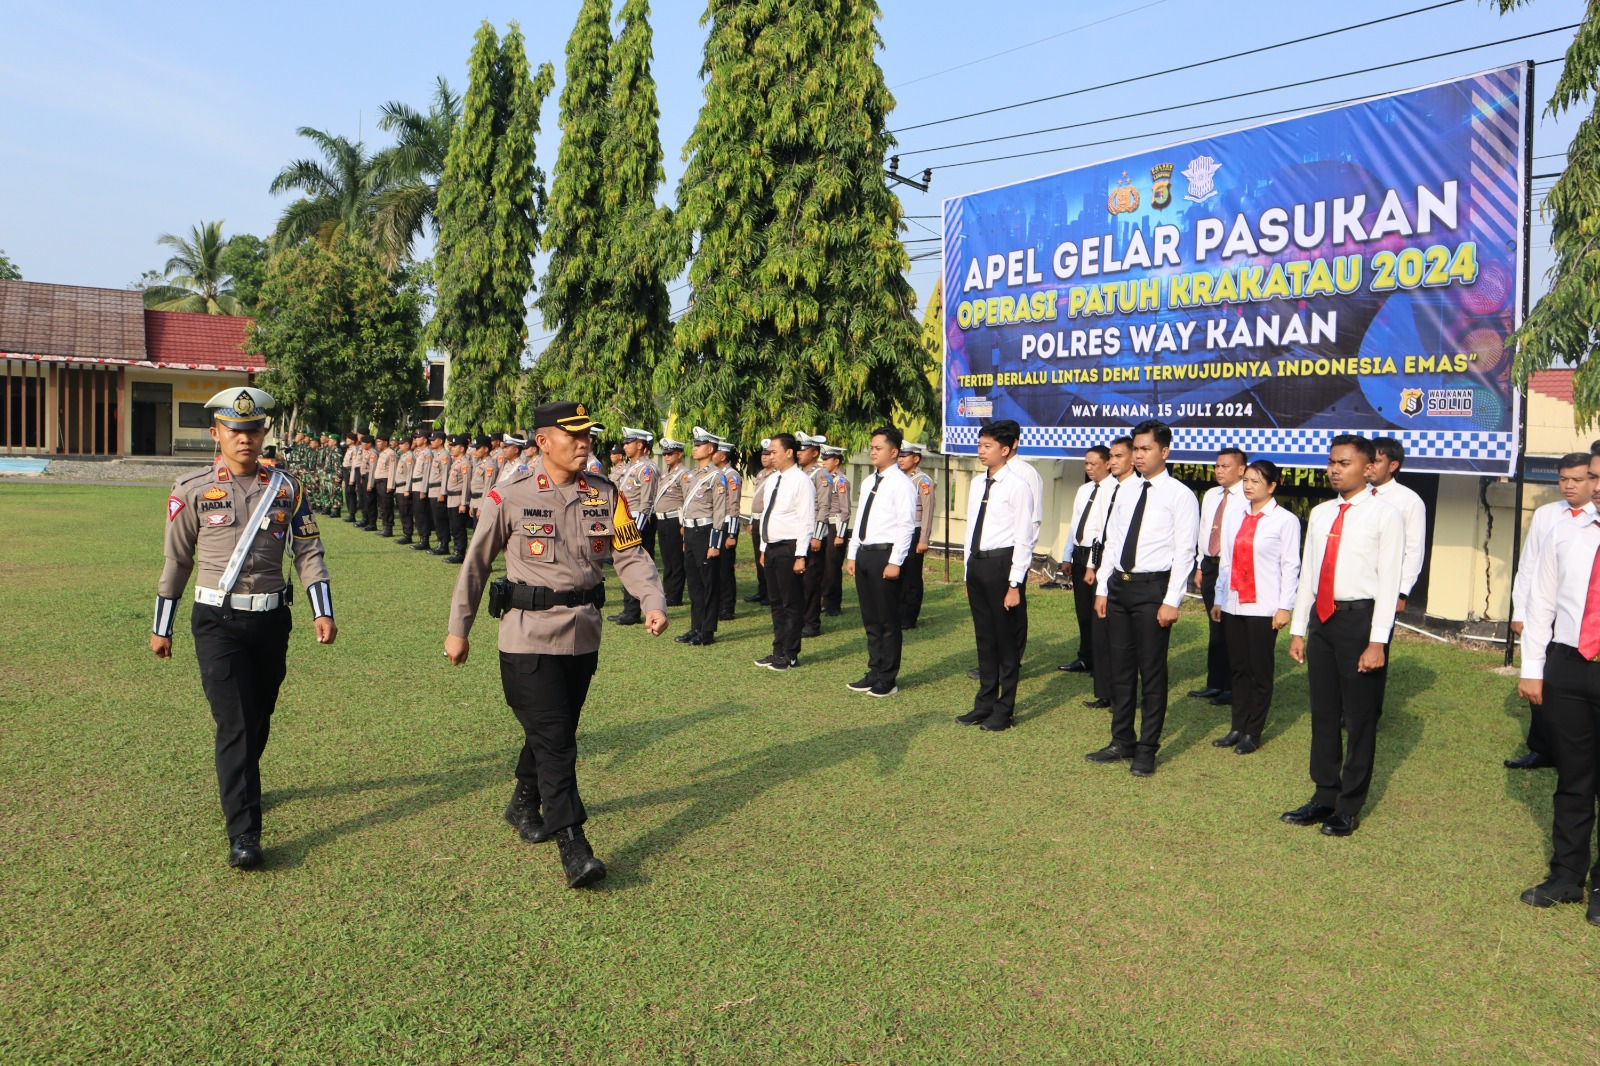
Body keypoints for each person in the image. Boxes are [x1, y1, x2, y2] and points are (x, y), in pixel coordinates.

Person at [445, 401, 667, 889]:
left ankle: (525, 799)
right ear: (544, 442)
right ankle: (573, 841)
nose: (584, 442)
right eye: (573, 436)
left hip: (583, 635)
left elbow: (630, 553)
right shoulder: (510, 496)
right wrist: (458, 628)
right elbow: (476, 565)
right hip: (527, 636)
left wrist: (652, 599)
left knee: (554, 729)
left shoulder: (606, 495)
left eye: (588, 434)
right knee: (557, 739)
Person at [149, 387, 336, 869]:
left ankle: (242, 780)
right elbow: (177, 560)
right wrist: (162, 626)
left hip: (272, 619)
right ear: (217, 434)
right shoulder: (191, 489)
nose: (245, 439)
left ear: (264, 432)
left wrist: (322, 609)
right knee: (233, 723)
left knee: (258, 716)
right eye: (235, 430)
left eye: (253, 430)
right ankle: (245, 833)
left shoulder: (287, 488)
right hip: (217, 620)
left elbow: (308, 552)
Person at [1281, 434, 1405, 837]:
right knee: (1323, 712)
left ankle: (1349, 806)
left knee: (1360, 716)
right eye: (1332, 461)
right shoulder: (1320, 514)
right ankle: (1323, 795)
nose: (1335, 469)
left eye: (1344, 462)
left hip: (1360, 621)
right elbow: (1308, 575)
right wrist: (1300, 629)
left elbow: (1389, 584)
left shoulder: (1385, 515)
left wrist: (1377, 641)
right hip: (1323, 621)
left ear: (1368, 469)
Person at [1516, 448, 1600, 926]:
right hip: (1567, 665)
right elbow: (1541, 599)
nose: (1596, 484)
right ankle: (1566, 876)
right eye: (1593, 475)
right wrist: (1533, 667)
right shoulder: (1565, 531)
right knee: (1573, 780)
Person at [1087, 420, 1199, 776]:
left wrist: (1172, 600)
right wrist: (1103, 588)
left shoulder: (1180, 495)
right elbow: (1114, 541)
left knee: (1151, 672)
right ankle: (1122, 739)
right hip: (1119, 587)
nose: (1138, 455)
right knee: (1120, 670)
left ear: (1164, 452)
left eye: (1146, 449)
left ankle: (1147, 747)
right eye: (1135, 448)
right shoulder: (1126, 490)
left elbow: (1185, 552)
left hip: (1153, 591)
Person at [1507, 453, 1596, 769]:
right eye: (1563, 479)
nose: (1569, 486)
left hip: (1581, 617)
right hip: (1545, 611)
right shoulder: (1548, 514)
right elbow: (1529, 563)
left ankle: (1573, 749)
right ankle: (1542, 748)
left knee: (1568, 685)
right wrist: (1521, 610)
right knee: (1539, 676)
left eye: (1578, 479)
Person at [1211, 459, 1301, 754]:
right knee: (1237, 668)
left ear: (1272, 486)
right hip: (1235, 604)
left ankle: (1253, 730)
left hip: (1264, 607)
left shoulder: (1285, 520)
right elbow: (1226, 561)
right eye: (1246, 480)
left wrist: (1285, 606)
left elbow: (1290, 566)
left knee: (1259, 670)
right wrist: (1219, 599)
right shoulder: (1235, 516)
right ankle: (1237, 726)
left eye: (1256, 482)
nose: (1248, 486)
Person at [955, 420, 1039, 732]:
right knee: (985, 639)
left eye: (988, 446)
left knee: (1006, 642)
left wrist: (1015, 583)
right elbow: (970, 530)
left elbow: (1024, 537)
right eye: (980, 445)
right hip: (978, 566)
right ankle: (984, 704)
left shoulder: (1018, 486)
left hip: (1002, 566)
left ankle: (1005, 708)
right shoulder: (979, 484)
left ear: (1005, 450)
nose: (981, 451)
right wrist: (967, 571)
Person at [845, 426, 917, 697]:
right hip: (865, 553)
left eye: (878, 448)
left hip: (886, 555)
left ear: (894, 452)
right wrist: (853, 554)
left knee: (887, 620)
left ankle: (888, 677)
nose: (873, 452)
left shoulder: (902, 484)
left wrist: (895, 561)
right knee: (871, 619)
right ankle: (874, 671)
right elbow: (860, 518)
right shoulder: (868, 482)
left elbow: (906, 526)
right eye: (872, 447)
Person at [1081, 437, 1138, 709]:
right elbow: (1100, 535)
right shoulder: (1107, 490)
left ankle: (1122, 694)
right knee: (1101, 632)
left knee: (1120, 638)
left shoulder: (1138, 489)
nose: (1113, 461)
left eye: (1119, 456)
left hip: (1127, 570)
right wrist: (1093, 566)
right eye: (1111, 456)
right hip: (1104, 565)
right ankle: (1105, 692)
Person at [1190, 448, 1247, 705]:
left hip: (1233, 567)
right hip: (1211, 565)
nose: (1219, 471)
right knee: (1215, 626)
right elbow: (1205, 530)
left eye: (1225, 466)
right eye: (1217, 466)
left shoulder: (1246, 496)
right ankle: (1215, 682)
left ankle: (1233, 687)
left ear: (1241, 470)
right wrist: (1201, 565)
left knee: (1232, 627)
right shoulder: (1212, 495)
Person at [757, 433, 817, 671]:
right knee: (775, 601)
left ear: (789, 452)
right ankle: (778, 650)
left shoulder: (801, 481)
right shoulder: (773, 479)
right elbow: (767, 515)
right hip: (771, 547)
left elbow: (806, 519)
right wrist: (763, 547)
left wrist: (801, 555)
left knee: (790, 602)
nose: (770, 455)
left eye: (774, 451)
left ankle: (790, 654)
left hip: (789, 547)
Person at [1059, 446, 1112, 674]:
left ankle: (1102, 661)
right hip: (1079, 553)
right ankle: (1085, 657)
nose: (1089, 468)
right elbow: (1074, 524)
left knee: (1098, 610)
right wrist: (1066, 555)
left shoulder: (1113, 490)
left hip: (1099, 554)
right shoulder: (1084, 490)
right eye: (1086, 464)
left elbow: (1102, 533)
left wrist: (1093, 562)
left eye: (1094, 464)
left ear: (1107, 463)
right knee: (1082, 610)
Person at [676, 427, 729, 646]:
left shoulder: (718, 477)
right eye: (695, 445)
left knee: (708, 582)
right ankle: (695, 626)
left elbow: (720, 511)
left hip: (706, 532)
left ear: (710, 448)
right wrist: (684, 537)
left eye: (699, 445)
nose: (695, 449)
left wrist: (715, 544)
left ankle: (707, 630)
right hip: (690, 532)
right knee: (694, 582)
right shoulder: (691, 475)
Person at [610, 427, 660, 626]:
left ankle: (633, 611)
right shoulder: (631, 467)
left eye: (629, 442)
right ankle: (628, 609)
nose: (625, 446)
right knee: (626, 563)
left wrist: (635, 529)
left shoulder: (647, 468)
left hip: (640, 522)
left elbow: (646, 502)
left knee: (636, 564)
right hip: (628, 521)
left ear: (640, 445)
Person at [897, 442, 937, 630]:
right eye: (900, 455)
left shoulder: (923, 480)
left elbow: (928, 512)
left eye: (906, 455)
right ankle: (898, 611)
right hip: (898, 531)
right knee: (898, 572)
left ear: (916, 458)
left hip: (915, 530)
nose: (901, 459)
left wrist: (923, 539)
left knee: (911, 576)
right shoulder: (896, 478)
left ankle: (909, 616)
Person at [797, 433, 832, 637]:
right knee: (798, 580)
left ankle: (811, 622)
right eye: (798, 449)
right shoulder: (798, 473)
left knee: (811, 580)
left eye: (804, 449)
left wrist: (818, 536)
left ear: (815, 452)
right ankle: (799, 618)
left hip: (813, 535)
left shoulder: (821, 474)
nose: (800, 453)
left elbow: (824, 506)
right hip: (798, 534)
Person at [653, 439, 689, 607]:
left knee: (676, 559)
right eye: (665, 454)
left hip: (675, 520)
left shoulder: (684, 474)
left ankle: (675, 595)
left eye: (670, 454)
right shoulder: (665, 474)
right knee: (667, 560)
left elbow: (688, 499)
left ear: (679, 454)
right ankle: (668, 592)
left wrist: (684, 525)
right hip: (662, 520)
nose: (666, 457)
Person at [713, 439, 742, 619]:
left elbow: (734, 506)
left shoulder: (731, 476)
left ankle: (728, 607)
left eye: (715, 452)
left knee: (725, 568)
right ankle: (719, 603)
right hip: (716, 525)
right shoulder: (716, 474)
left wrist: (732, 534)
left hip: (726, 525)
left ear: (723, 456)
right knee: (716, 567)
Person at [821, 445, 851, 617]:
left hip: (835, 525)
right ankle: (825, 600)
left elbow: (845, 510)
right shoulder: (824, 478)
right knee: (823, 565)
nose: (824, 462)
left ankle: (833, 604)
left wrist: (840, 534)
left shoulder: (840, 481)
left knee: (832, 567)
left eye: (827, 459)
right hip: (824, 524)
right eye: (823, 459)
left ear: (836, 461)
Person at [745, 443, 776, 607]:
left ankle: (770, 593)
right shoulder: (761, 474)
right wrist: (751, 520)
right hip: (756, 519)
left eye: (767, 454)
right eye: (762, 455)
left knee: (767, 557)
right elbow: (756, 500)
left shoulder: (777, 475)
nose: (764, 457)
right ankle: (762, 590)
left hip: (767, 520)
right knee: (758, 557)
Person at [444, 434, 473, 563]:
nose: (452, 448)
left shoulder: (465, 464)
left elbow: (466, 484)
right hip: (451, 498)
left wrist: (463, 503)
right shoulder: (457, 462)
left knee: (459, 527)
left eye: (454, 446)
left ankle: (460, 553)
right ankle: (456, 550)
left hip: (458, 499)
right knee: (453, 527)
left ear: (461, 448)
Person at [426, 430, 451, 556]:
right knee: (436, 519)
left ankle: (444, 544)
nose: (431, 441)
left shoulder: (444, 455)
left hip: (438, 492)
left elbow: (445, 475)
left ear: (440, 441)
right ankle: (440, 542)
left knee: (441, 519)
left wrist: (443, 492)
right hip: (432, 490)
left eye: (433, 439)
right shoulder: (436, 454)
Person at [372, 432, 396, 537]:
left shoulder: (391, 453)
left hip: (385, 482)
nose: (377, 443)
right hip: (379, 482)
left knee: (387, 506)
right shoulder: (382, 453)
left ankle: (388, 528)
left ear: (385, 442)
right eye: (377, 441)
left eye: (379, 441)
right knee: (382, 506)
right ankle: (384, 527)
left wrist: (390, 485)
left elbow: (392, 470)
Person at [394, 436, 416, 544]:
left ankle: (408, 535)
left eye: (402, 444)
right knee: (402, 512)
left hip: (404, 487)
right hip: (399, 487)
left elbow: (409, 474)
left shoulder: (409, 457)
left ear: (407, 445)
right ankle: (405, 533)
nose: (399, 445)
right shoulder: (403, 456)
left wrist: (407, 489)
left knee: (406, 512)